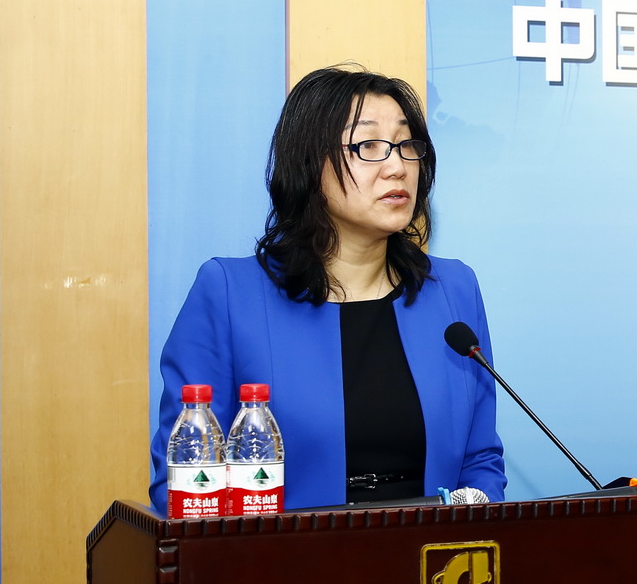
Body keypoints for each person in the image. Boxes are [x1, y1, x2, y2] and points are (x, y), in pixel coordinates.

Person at [149, 65, 506, 512]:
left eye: (406, 144)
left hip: (429, 553)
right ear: (309, 164)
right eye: (368, 145)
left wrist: (472, 507)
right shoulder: (229, 295)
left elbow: (480, 460)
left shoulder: (453, 290)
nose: (398, 167)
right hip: (289, 553)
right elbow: (184, 485)